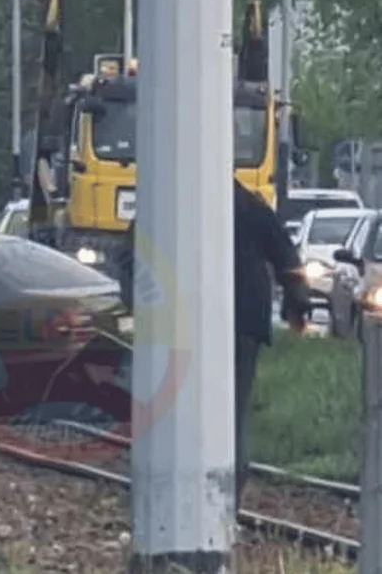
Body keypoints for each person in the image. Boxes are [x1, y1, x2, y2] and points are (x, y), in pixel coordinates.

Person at [119, 179, 310, 504]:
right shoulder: (249, 205)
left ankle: (173, 488)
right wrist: (298, 304)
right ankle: (227, 489)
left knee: (176, 406)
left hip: (180, 326)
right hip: (242, 322)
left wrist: (136, 304)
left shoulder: (164, 202)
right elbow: (285, 256)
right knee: (232, 410)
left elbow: (131, 258)